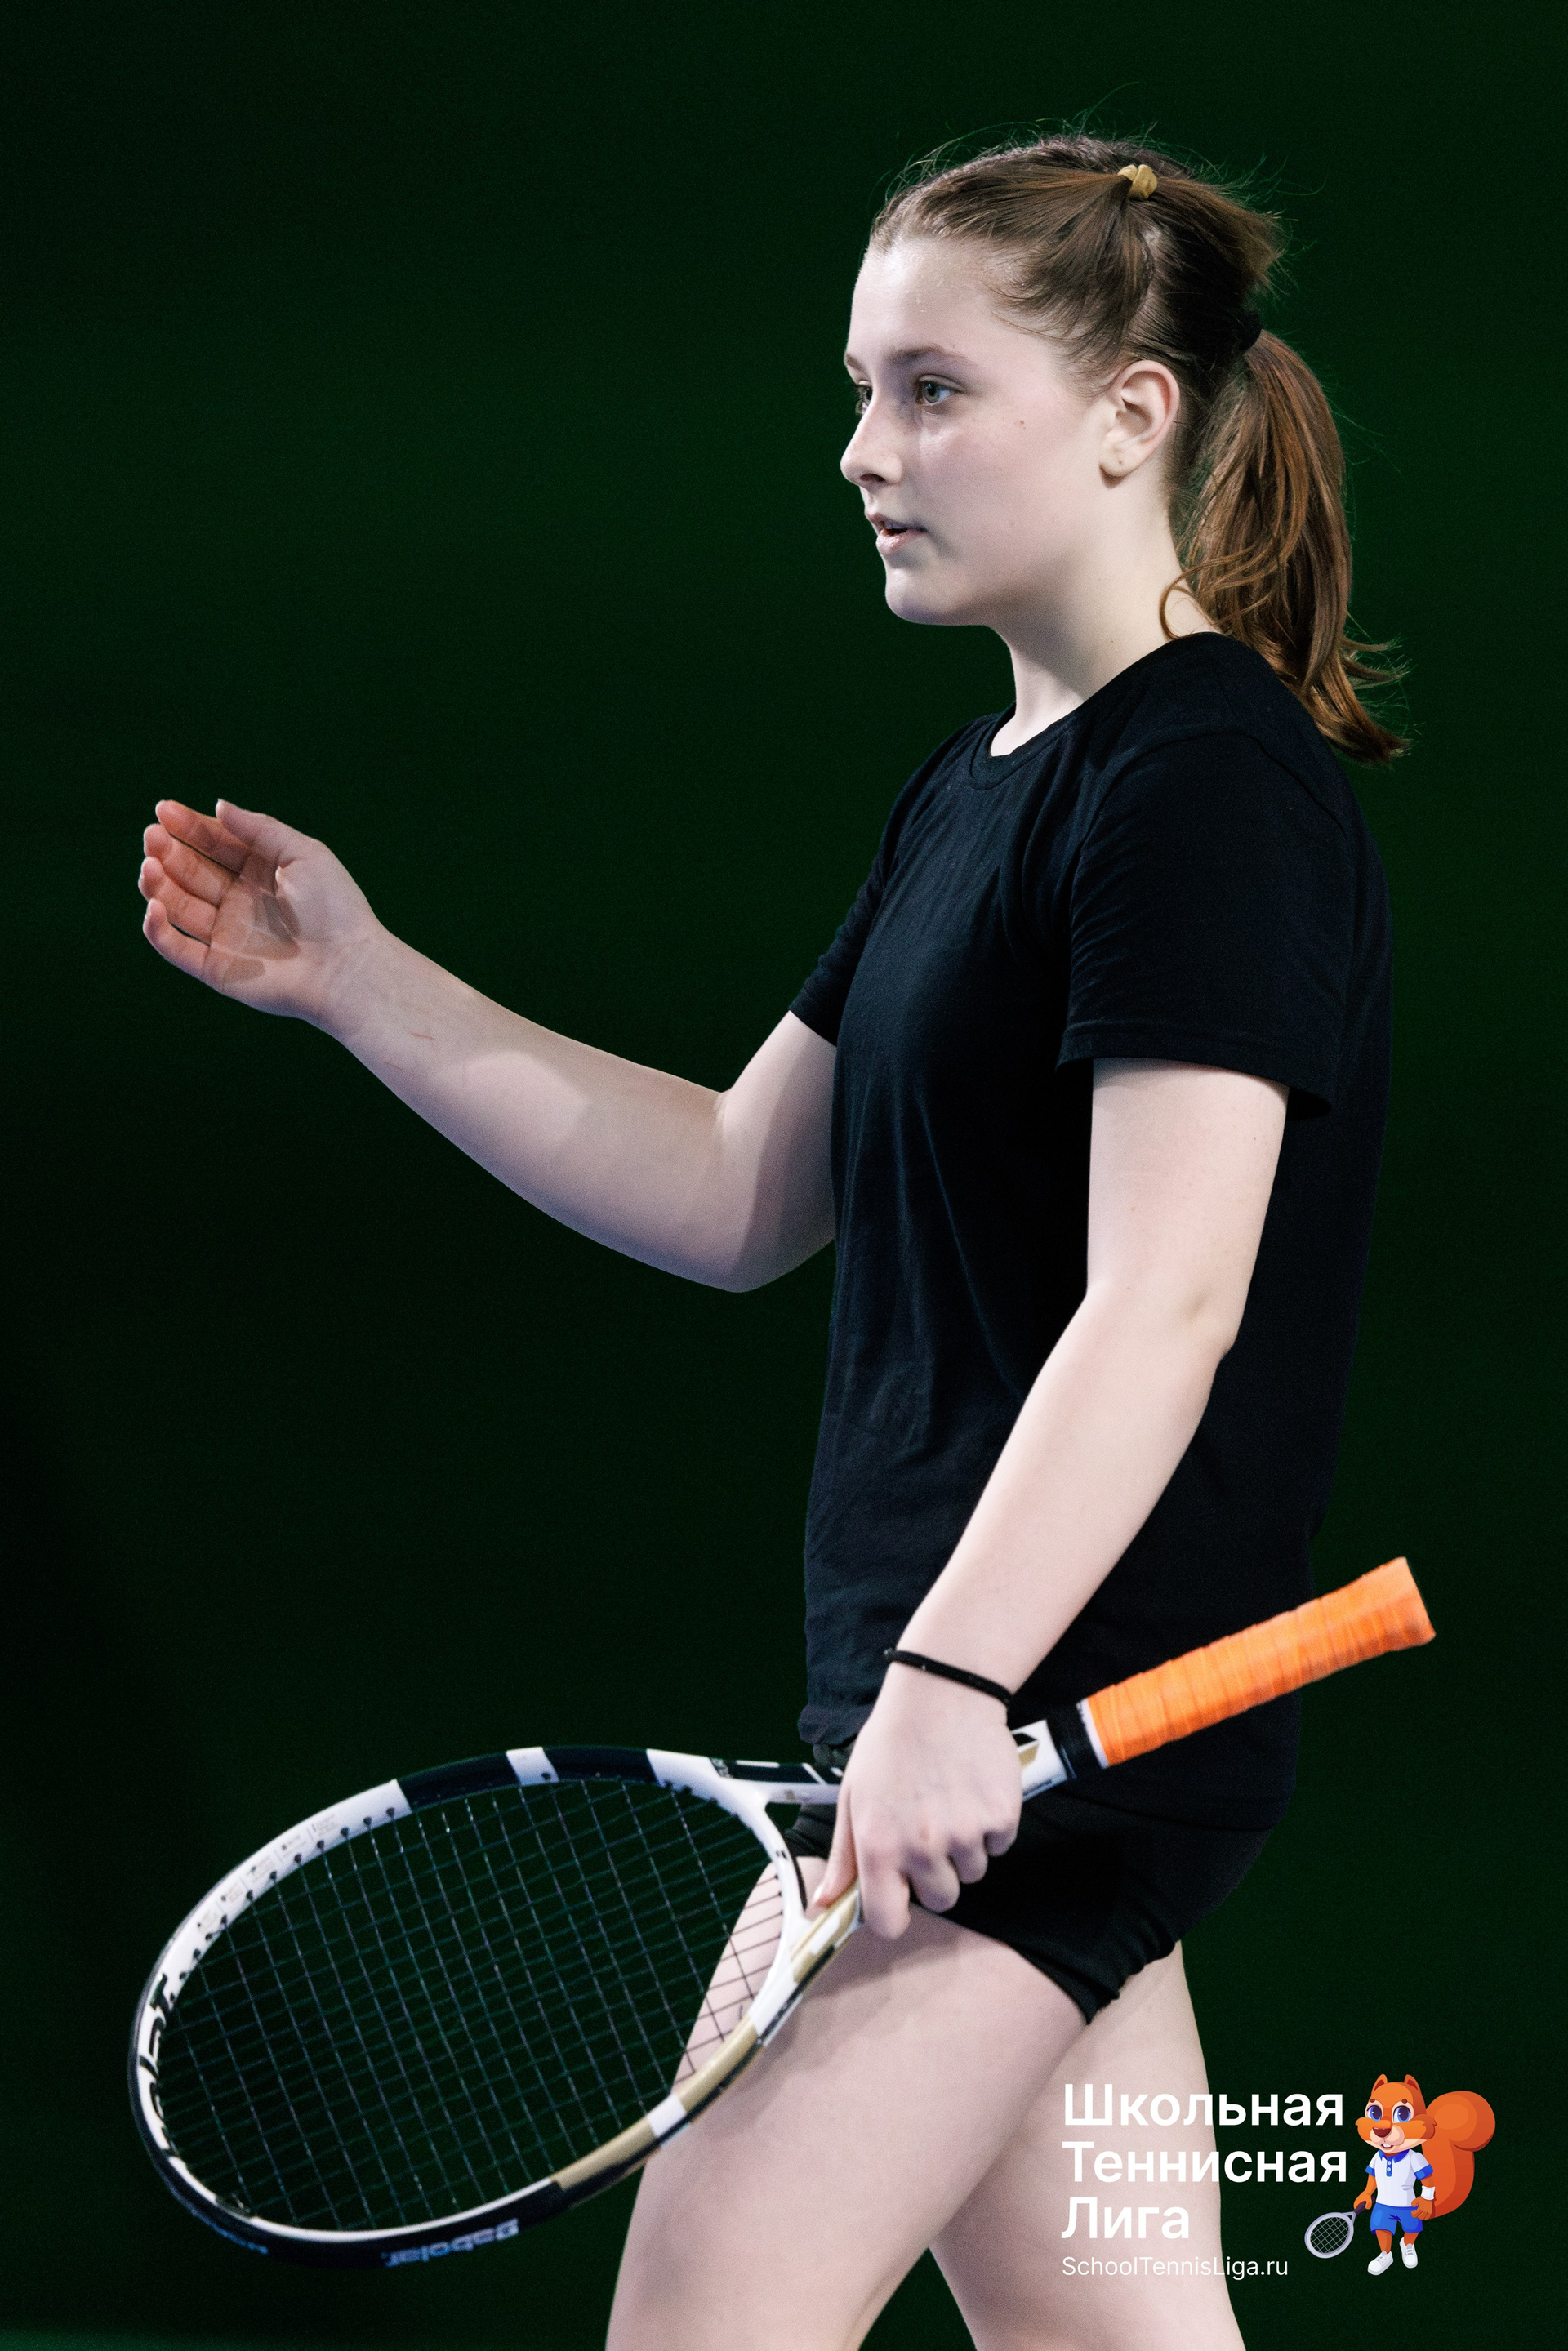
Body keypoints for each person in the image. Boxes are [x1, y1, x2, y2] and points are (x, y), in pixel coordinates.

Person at [139, 132, 1399, 2351]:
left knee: (703, 2322)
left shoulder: (1205, 783)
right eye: (860, 391)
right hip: (968, 1742)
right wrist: (358, 980)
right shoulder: (983, 786)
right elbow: (738, 1188)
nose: (862, 452)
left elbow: (1172, 1299)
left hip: (1032, 1741)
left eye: (933, 390)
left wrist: (953, 1686)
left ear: (1132, 414)